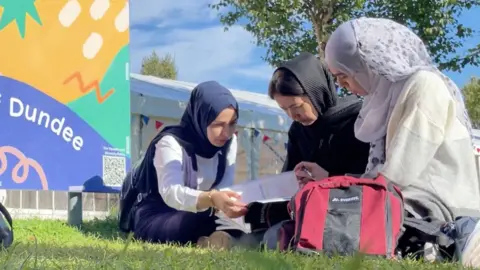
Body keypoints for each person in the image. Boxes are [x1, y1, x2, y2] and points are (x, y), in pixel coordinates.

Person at [295, 17, 480, 266]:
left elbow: (397, 176)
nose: (341, 85)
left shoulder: (424, 86)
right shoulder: (384, 95)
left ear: (367, 64)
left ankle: (455, 240)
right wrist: (329, 179)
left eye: (344, 75)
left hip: (436, 208)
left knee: (340, 223)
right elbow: (382, 179)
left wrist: (342, 191)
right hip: (404, 201)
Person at [132, 81, 246, 247]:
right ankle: (217, 238)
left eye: (232, 124)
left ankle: (215, 239)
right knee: (191, 222)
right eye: (218, 125)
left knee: (247, 216)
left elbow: (225, 186)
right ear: (200, 117)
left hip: (206, 210)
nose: (226, 133)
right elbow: (171, 192)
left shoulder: (229, 142)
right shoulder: (171, 142)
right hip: (161, 213)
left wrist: (228, 204)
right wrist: (212, 198)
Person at [268, 52, 370, 181]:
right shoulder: (298, 131)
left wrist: (329, 178)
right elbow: (288, 179)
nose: (293, 116)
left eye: (296, 106)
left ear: (316, 93)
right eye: (284, 109)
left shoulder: (358, 120)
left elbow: (375, 180)